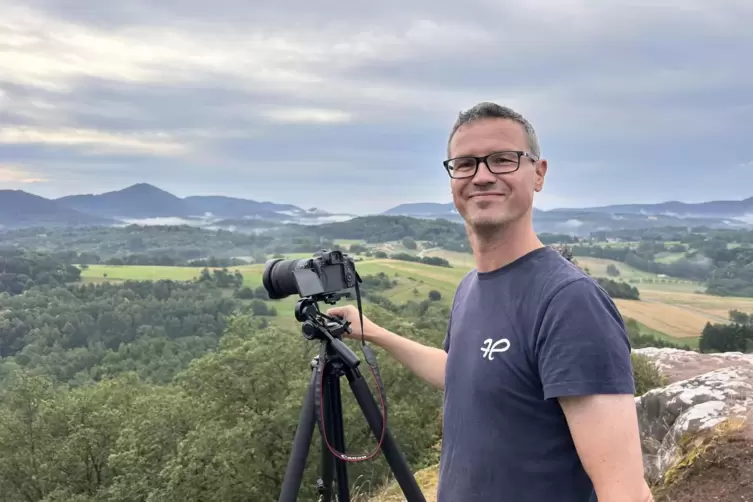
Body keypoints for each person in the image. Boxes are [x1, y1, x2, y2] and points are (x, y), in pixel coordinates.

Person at [328, 102, 652, 502]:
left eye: (502, 160)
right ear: (452, 179)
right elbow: (467, 373)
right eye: (465, 164)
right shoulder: (470, 288)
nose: (481, 176)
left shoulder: (568, 301)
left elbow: (625, 492)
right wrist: (372, 331)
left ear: (539, 174)